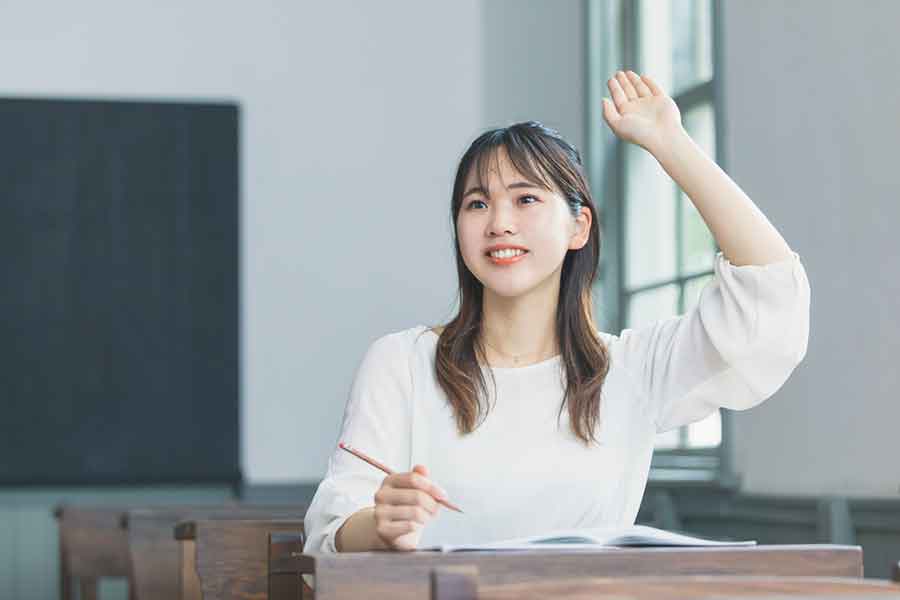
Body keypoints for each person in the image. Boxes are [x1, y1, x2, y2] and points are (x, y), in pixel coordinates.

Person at [303, 70, 810, 553]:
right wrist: (380, 524)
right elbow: (333, 525)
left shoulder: (633, 369)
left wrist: (671, 145)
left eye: (525, 199)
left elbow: (770, 303)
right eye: (477, 204)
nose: (499, 222)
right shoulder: (401, 363)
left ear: (579, 227)